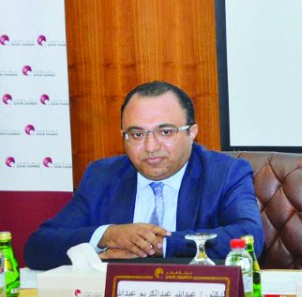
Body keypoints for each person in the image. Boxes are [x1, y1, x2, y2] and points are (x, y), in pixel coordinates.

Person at [25, 81, 263, 269]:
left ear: (192, 132)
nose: (151, 147)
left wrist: (158, 245)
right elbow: (38, 246)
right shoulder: (102, 176)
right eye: (137, 135)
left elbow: (249, 237)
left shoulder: (225, 173)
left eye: (166, 132)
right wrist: (109, 235)